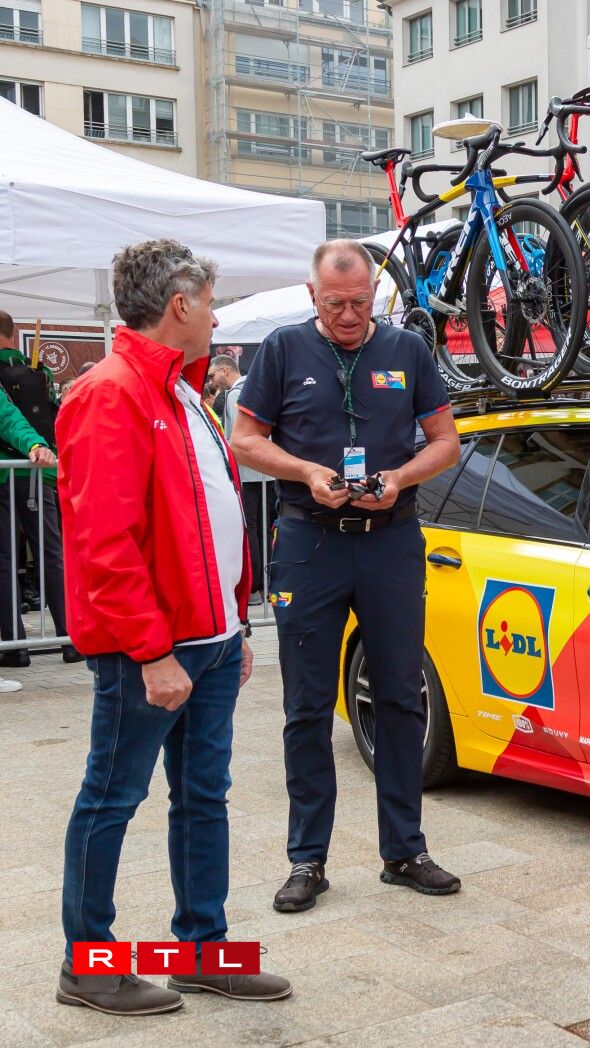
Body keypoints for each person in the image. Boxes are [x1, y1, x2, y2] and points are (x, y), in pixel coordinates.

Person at [55, 240, 290, 1015]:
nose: (217, 319)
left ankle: (203, 954)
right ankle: (88, 966)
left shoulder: (180, 392)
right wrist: (153, 652)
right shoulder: (110, 393)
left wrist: (233, 623)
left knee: (203, 798)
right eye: (211, 303)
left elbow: (205, 516)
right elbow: (104, 542)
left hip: (209, 640)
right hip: (153, 651)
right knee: (111, 799)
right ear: (180, 305)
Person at [231, 240, 461, 914]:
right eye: (336, 304)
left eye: (361, 302)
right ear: (313, 295)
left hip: (391, 541)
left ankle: (405, 850)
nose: (350, 315)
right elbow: (245, 439)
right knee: (306, 705)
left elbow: (445, 441)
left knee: (400, 696)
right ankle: (307, 859)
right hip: (310, 543)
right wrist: (305, 471)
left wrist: (400, 478)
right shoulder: (282, 350)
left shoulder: (407, 350)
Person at [0, 309, 69, 672]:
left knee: (5, 559)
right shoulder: (36, 371)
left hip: (12, 472)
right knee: (51, 554)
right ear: (14, 334)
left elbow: (8, 417)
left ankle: (15, 646)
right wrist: (37, 447)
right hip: (37, 472)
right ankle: (69, 638)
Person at [212, 354, 269, 608]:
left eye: (213, 374)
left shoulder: (237, 394)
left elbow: (238, 440)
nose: (212, 380)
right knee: (262, 528)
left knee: (252, 528)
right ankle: (264, 582)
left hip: (249, 474)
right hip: (265, 474)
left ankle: (255, 585)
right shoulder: (254, 388)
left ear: (225, 370)